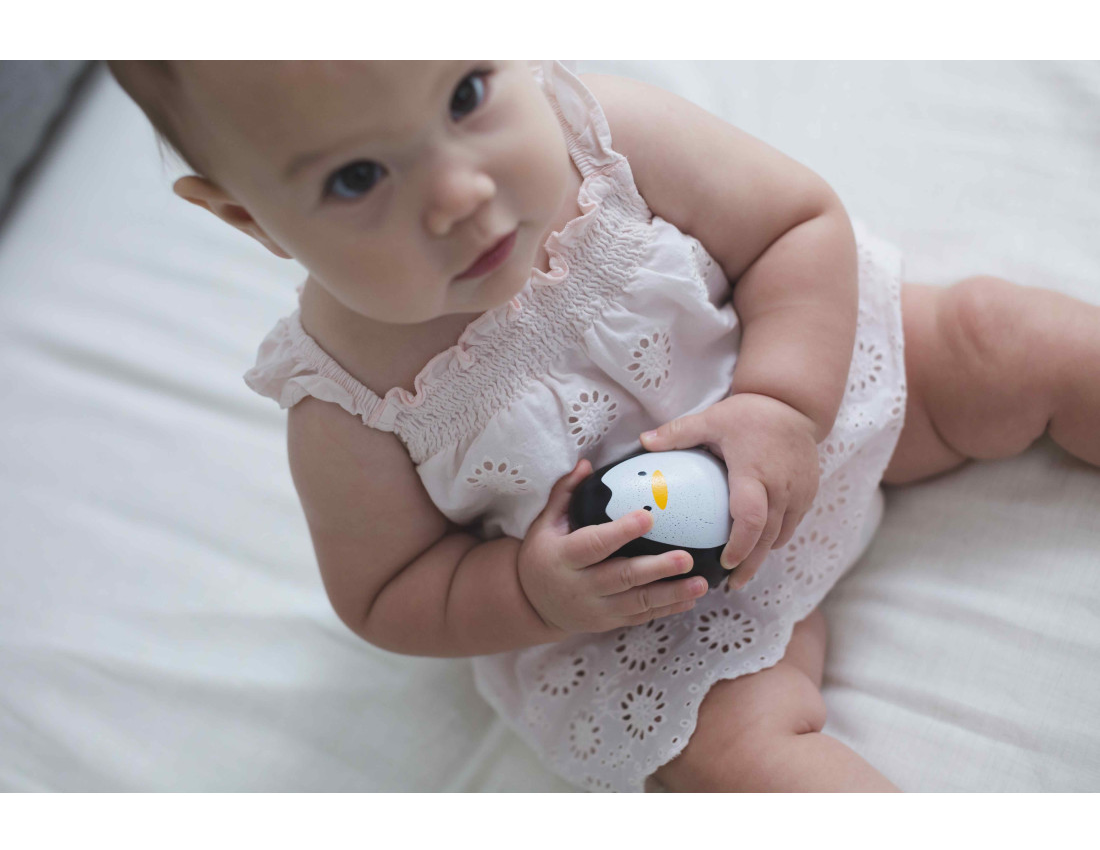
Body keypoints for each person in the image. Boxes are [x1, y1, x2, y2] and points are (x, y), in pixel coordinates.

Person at [107, 60, 1100, 792]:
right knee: (734, 764)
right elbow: (386, 592)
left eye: (464, 94)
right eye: (358, 178)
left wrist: (780, 403)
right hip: (657, 611)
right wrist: (532, 593)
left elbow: (794, 225)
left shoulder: (605, 137)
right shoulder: (344, 399)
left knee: (993, 338)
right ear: (248, 217)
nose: (459, 194)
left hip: (809, 398)